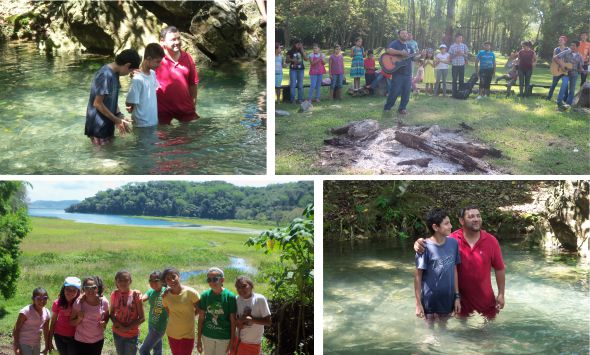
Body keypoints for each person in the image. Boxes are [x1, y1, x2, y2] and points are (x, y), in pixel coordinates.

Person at [414, 206, 505, 319]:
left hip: (485, 300)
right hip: (460, 302)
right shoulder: (452, 239)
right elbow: (435, 242)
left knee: (487, 334)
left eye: (478, 216)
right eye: (471, 216)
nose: (476, 219)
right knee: (459, 333)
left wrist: (501, 294)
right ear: (461, 221)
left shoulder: (491, 241)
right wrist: (418, 243)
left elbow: (499, 268)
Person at [85, 49, 140, 145]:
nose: (129, 74)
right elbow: (97, 103)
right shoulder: (105, 75)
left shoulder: (115, 74)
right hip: (98, 127)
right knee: (103, 158)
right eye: (130, 70)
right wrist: (116, 120)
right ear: (127, 65)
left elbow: (112, 98)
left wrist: (120, 116)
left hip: (107, 125)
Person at [414, 209, 461, 322]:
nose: (451, 226)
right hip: (429, 301)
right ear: (435, 227)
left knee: (443, 331)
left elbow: (454, 270)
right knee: (429, 334)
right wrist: (418, 303)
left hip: (447, 299)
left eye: (450, 222)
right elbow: (417, 277)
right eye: (446, 223)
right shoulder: (424, 247)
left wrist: (457, 297)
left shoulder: (453, 243)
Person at [156, 26, 200, 125]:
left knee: (191, 138)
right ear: (162, 42)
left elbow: (193, 84)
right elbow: (144, 77)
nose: (177, 42)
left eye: (178, 38)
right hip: (162, 110)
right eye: (173, 39)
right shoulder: (156, 59)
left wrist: (193, 105)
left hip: (185, 108)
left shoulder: (187, 57)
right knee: (162, 139)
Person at [196, 268, 237, 355]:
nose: (211, 282)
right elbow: (201, 318)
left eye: (215, 279)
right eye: (209, 280)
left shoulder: (230, 297)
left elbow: (233, 321)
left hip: (224, 337)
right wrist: (199, 339)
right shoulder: (204, 295)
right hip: (207, 336)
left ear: (222, 280)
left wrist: (232, 340)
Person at [161, 267, 200, 355]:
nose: (172, 280)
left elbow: (199, 309)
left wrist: (189, 316)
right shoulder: (165, 296)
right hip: (172, 333)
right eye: (168, 279)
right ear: (165, 282)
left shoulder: (191, 292)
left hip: (188, 334)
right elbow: (169, 312)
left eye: (174, 277)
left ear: (179, 276)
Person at [126, 43, 165, 128]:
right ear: (148, 58)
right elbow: (129, 102)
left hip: (152, 120)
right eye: (157, 61)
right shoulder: (137, 79)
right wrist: (130, 107)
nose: (159, 65)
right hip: (141, 124)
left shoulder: (153, 74)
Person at [70, 276, 110, 355]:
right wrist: (79, 319)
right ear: (83, 289)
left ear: (97, 288)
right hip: (81, 340)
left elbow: (107, 316)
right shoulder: (79, 302)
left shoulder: (104, 302)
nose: (90, 290)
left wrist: (105, 322)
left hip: (97, 340)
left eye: (93, 287)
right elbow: (71, 322)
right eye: (87, 288)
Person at [233, 276, 271, 355]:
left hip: (253, 343)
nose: (241, 289)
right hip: (238, 341)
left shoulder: (259, 299)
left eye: (244, 286)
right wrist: (238, 323)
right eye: (238, 287)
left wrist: (252, 319)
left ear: (251, 285)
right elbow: (234, 320)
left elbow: (268, 322)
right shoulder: (236, 299)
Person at [110, 270, 145, 355]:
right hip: (117, 333)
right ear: (116, 282)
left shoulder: (135, 295)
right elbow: (111, 313)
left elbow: (142, 318)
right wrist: (118, 325)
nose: (123, 283)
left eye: (125, 280)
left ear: (130, 281)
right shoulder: (114, 294)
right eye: (120, 281)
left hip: (131, 335)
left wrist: (126, 328)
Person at [383, 30, 417, 115]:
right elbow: (389, 50)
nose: (405, 35)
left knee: (406, 92)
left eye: (406, 33)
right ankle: (387, 107)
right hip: (398, 72)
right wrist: (400, 52)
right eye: (403, 33)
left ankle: (402, 108)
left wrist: (422, 55)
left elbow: (414, 58)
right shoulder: (395, 43)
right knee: (395, 91)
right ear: (399, 35)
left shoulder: (409, 45)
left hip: (408, 73)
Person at [12, 287, 51, 355]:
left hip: (36, 343)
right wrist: (16, 345)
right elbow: (16, 329)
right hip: (23, 343)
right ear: (33, 299)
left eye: (45, 298)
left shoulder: (47, 313)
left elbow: (46, 331)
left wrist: (47, 346)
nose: (42, 301)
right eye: (38, 299)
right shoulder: (26, 311)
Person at [49, 277, 81, 355]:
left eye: (74, 290)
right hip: (59, 336)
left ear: (78, 291)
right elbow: (53, 322)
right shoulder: (58, 303)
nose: (70, 292)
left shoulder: (80, 303)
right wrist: (49, 341)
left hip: (74, 337)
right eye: (68, 289)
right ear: (63, 289)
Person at [139, 271, 169, 355]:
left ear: (162, 281)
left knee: (143, 350)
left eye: (156, 280)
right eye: (150, 280)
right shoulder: (151, 291)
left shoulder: (166, 292)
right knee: (157, 350)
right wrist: (135, 295)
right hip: (151, 324)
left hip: (159, 328)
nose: (153, 283)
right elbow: (141, 299)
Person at [557, 41, 586, 108]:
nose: (572, 47)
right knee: (563, 86)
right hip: (565, 73)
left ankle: (568, 104)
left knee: (572, 89)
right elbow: (556, 57)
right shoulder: (566, 51)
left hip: (574, 74)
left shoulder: (580, 56)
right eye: (571, 45)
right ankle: (559, 102)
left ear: (578, 47)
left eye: (574, 46)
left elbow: (580, 67)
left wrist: (583, 70)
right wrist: (562, 66)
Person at [546, 35, 570, 101]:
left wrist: (564, 66)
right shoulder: (556, 49)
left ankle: (565, 99)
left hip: (564, 70)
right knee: (554, 84)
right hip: (557, 69)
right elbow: (554, 59)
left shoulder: (568, 50)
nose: (559, 41)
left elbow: (569, 60)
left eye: (561, 40)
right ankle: (548, 97)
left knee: (565, 85)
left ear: (565, 42)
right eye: (559, 40)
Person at [286, 39, 308, 104]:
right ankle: (292, 100)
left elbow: (306, 59)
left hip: (301, 70)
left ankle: (300, 99)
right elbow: (287, 61)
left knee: (300, 85)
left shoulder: (302, 51)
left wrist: (302, 50)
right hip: (293, 70)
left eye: (301, 44)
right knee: (293, 85)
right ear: (295, 44)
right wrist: (292, 60)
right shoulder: (290, 51)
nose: (300, 45)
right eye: (298, 44)